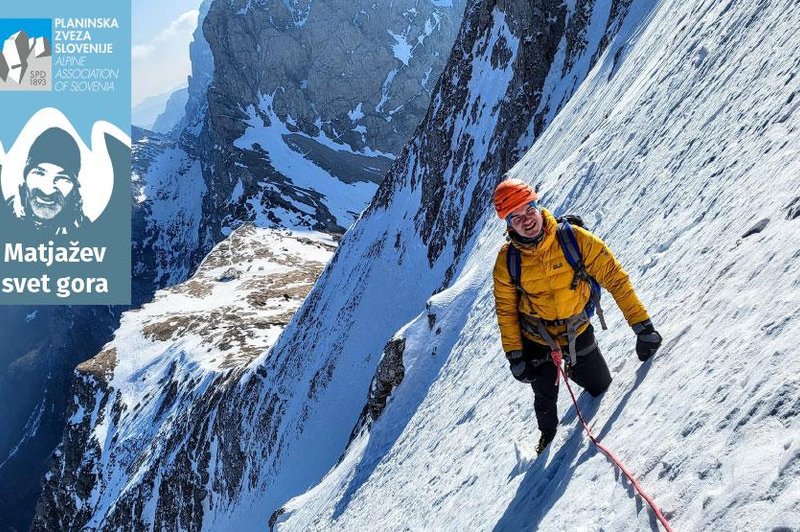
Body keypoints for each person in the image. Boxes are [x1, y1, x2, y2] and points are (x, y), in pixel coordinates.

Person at [491, 178, 662, 454]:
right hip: (536, 338)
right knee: (544, 396)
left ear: (538, 205)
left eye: (529, 209)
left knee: (601, 385)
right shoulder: (506, 262)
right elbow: (507, 311)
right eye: (516, 217)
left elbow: (614, 278)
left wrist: (643, 327)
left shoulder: (573, 239)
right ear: (508, 224)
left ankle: (573, 368)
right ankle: (546, 437)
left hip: (576, 329)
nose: (526, 220)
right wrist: (515, 355)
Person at [4, 127, 87, 235]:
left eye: (62, 178)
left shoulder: (88, 233)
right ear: (26, 177)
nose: (48, 190)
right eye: (39, 173)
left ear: (74, 187)